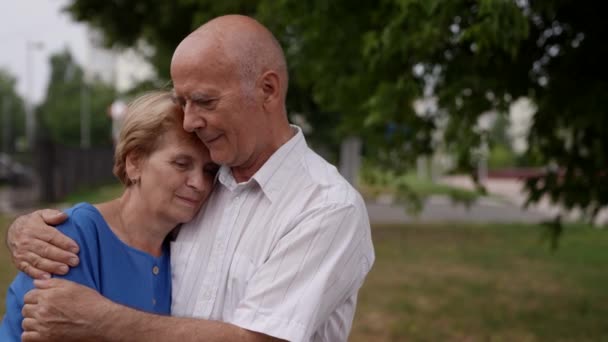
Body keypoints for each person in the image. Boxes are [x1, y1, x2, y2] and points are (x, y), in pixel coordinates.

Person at [6, 15, 375, 342]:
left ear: (267, 89)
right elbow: (125, 224)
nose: (189, 121)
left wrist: (102, 320)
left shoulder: (325, 207)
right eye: (183, 102)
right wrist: (25, 228)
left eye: (205, 101)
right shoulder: (211, 181)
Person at [0, 91, 217, 340]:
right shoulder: (73, 237)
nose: (199, 183)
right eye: (181, 164)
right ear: (134, 162)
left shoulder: (182, 248)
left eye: (209, 170)